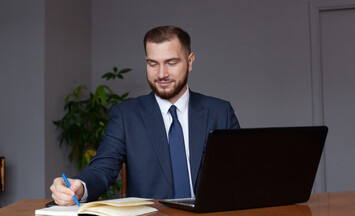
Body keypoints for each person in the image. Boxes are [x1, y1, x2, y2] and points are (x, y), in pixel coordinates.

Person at [50, 25, 240, 205]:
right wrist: (79, 187)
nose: (161, 74)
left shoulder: (220, 112)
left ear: (189, 62)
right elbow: (102, 168)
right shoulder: (125, 116)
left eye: (171, 62)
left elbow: (242, 173)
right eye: (153, 64)